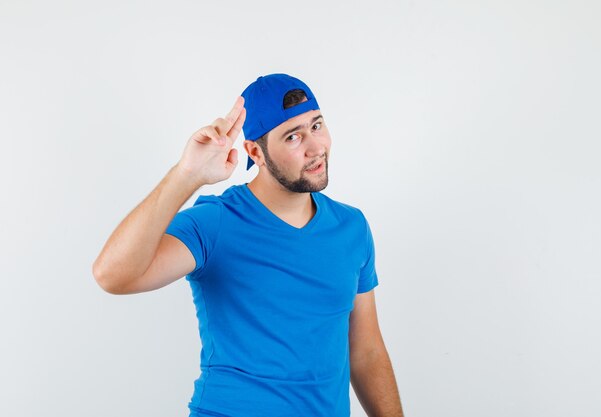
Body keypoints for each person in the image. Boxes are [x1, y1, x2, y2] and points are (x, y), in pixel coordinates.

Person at [92, 73, 404, 417]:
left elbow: (367, 351)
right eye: (293, 137)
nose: (315, 148)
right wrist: (187, 174)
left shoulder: (351, 227)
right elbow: (112, 276)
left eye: (316, 126)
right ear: (255, 151)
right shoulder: (215, 221)